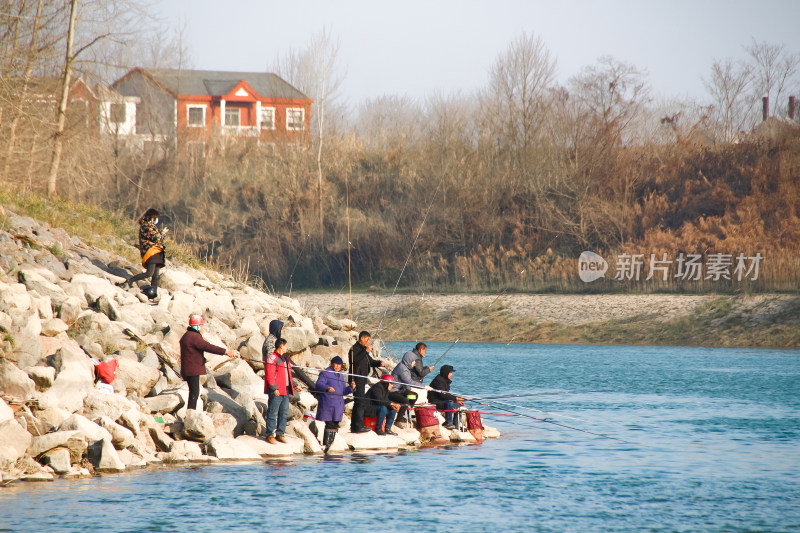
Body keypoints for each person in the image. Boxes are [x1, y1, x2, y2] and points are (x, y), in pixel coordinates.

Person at [179, 314, 236, 411]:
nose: (202, 328)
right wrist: (225, 352)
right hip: (192, 370)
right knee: (194, 392)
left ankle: (190, 412)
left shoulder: (186, 335)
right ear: (197, 326)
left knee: (193, 391)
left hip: (186, 369)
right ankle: (190, 413)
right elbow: (208, 347)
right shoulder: (194, 337)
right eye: (201, 325)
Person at [119, 208, 168, 300]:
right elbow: (156, 238)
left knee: (156, 276)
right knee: (149, 273)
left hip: (157, 252)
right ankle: (130, 281)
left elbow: (157, 238)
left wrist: (161, 234)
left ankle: (153, 293)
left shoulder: (151, 226)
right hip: (150, 252)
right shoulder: (146, 226)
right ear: (153, 218)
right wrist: (163, 233)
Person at [314, 356, 353, 453]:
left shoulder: (341, 375)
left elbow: (343, 391)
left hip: (338, 405)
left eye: (339, 365)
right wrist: (327, 387)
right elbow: (318, 384)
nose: (338, 366)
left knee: (335, 424)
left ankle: (330, 444)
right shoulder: (326, 373)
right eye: (336, 364)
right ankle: (326, 444)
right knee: (330, 423)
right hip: (328, 403)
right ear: (332, 364)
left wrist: (351, 388)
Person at [348, 331, 385, 433]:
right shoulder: (354, 348)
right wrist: (366, 351)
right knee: (360, 402)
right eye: (367, 339)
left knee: (358, 403)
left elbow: (371, 361)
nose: (368, 342)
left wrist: (379, 363)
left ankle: (355, 426)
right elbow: (355, 360)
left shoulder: (363, 350)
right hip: (356, 379)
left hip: (362, 379)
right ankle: (359, 426)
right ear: (362, 338)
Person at [391, 342, 434, 425]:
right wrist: (424, 386)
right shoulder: (402, 368)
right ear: (409, 360)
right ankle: (398, 420)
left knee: (414, 396)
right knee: (405, 400)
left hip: (400, 390)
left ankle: (405, 413)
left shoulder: (406, 367)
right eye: (413, 361)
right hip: (394, 391)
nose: (414, 363)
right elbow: (409, 382)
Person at [265, 338, 295, 444]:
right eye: (286, 345)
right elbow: (269, 375)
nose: (287, 347)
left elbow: (289, 375)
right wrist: (274, 388)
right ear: (281, 345)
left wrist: (295, 385)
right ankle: (269, 434)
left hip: (285, 390)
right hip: (276, 391)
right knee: (273, 413)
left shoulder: (285, 359)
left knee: (283, 413)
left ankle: (280, 434)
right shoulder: (272, 358)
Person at [428, 364, 465, 429]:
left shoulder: (445, 380)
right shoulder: (438, 381)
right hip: (434, 401)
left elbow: (446, 395)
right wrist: (455, 398)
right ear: (446, 372)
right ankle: (448, 422)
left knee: (459, 405)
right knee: (449, 403)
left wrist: (457, 399)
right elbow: (442, 395)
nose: (451, 374)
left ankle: (456, 424)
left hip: (442, 400)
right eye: (450, 373)